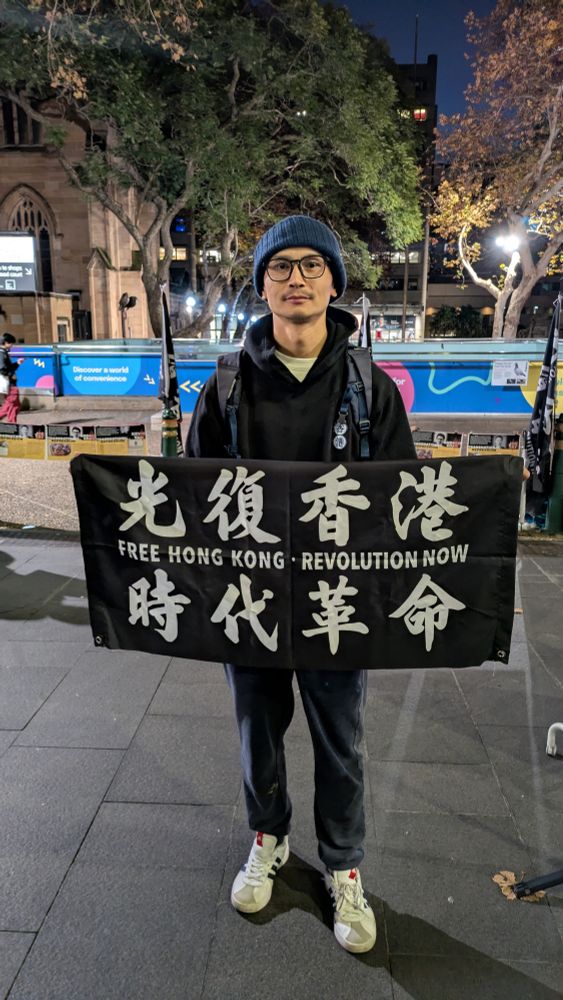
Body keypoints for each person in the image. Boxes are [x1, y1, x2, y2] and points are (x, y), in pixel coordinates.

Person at [186, 215, 415, 954]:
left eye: (311, 266)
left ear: (333, 283)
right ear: (261, 286)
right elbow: (190, 501)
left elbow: (403, 501)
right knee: (258, 730)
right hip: (248, 601)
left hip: (336, 603)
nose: (295, 279)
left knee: (339, 739)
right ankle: (268, 838)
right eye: (279, 267)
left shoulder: (368, 388)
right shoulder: (223, 387)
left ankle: (343, 868)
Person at [0, 333, 22, 423]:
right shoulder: (1, 354)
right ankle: (12, 425)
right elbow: (2, 369)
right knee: (12, 404)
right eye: (11, 343)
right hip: (9, 383)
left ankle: (12, 424)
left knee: (13, 405)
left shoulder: (4, 353)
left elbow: (6, 367)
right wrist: (10, 374)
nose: (12, 346)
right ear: (6, 343)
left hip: (11, 383)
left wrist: (17, 363)